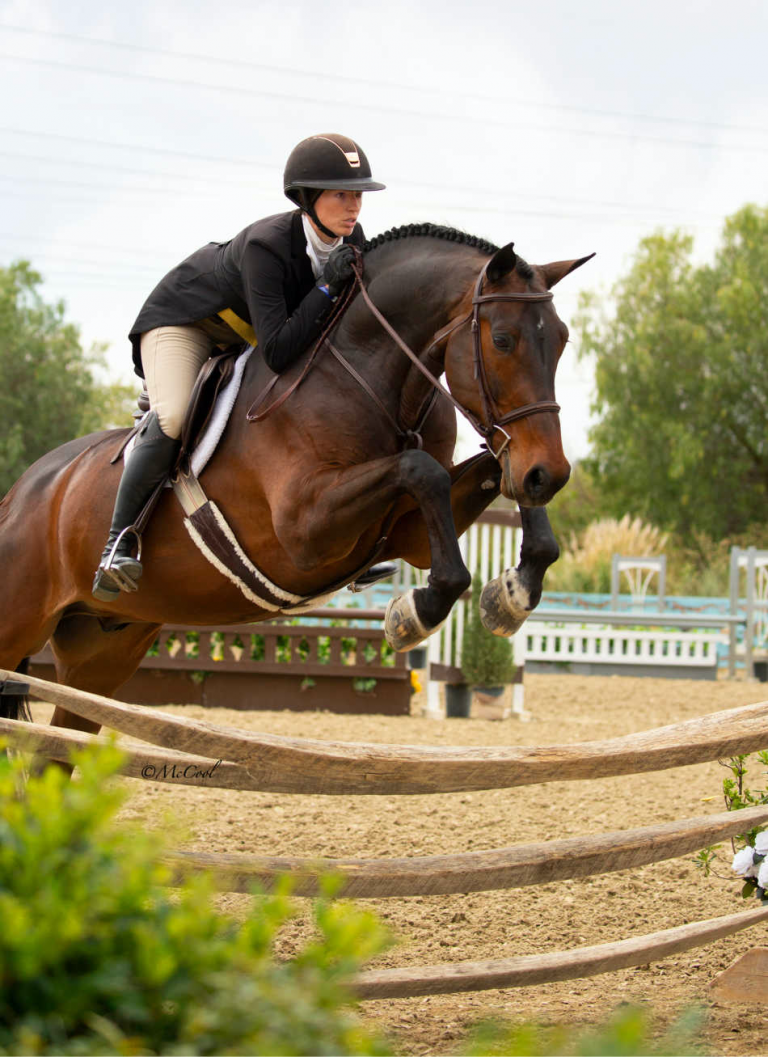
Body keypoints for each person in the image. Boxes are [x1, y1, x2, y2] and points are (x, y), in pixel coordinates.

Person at [92, 132, 393, 602]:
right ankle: (117, 543)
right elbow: (279, 350)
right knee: (174, 416)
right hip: (187, 322)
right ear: (306, 198)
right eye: (341, 194)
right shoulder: (266, 246)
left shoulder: (352, 240)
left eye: (358, 195)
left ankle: (353, 546)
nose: (354, 206)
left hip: (246, 331)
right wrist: (326, 288)